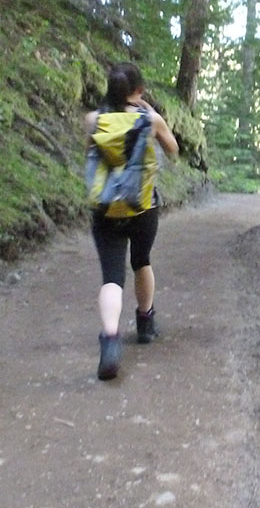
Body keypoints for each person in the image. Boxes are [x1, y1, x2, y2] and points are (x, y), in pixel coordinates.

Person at [85, 62, 178, 380]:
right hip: (142, 207)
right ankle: (145, 323)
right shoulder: (150, 120)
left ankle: (110, 340)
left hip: (106, 208)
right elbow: (174, 150)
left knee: (112, 275)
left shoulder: (93, 120)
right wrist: (150, 116)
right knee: (141, 261)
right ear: (138, 91)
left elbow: (93, 154)